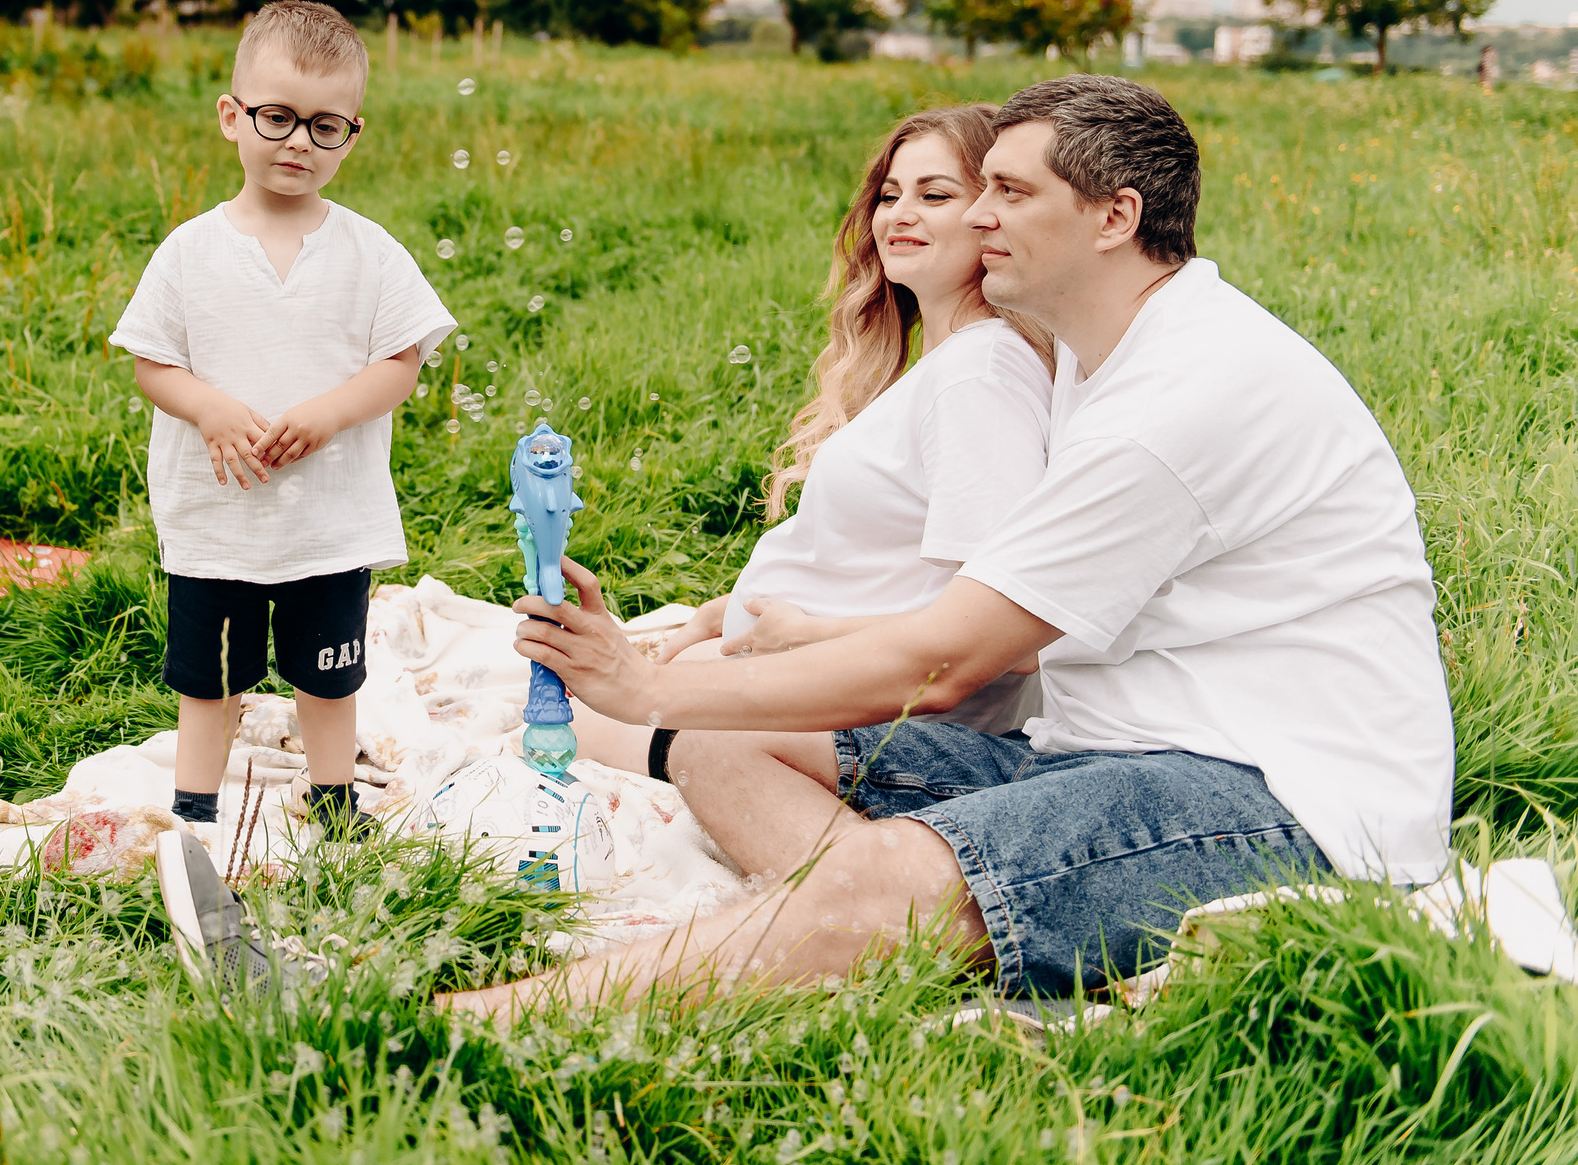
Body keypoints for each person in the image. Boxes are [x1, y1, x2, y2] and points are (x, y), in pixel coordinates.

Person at [448, 74, 1452, 1012]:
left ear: (1114, 216)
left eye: (1008, 192)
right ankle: (912, 920)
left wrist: (643, 684)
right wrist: (684, 679)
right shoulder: (1107, 354)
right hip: (1100, 752)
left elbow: (951, 656)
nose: (977, 216)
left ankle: (481, 1023)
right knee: (721, 742)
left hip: (1274, 796)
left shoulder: (1184, 393)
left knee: (870, 873)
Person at [579, 104, 1052, 791]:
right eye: (890, 195)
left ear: (992, 216)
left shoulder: (978, 377)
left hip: (886, 725)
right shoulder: (949, 365)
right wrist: (726, 613)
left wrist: (802, 634)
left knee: (560, 724)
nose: (899, 215)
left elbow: (1007, 644)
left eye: (935, 194)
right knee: (565, 695)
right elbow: (887, 563)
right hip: (831, 681)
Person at [108, 0, 456, 863]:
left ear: (352, 135)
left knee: (328, 672)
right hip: (217, 521)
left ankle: (334, 801)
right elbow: (152, 363)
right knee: (209, 677)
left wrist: (329, 411)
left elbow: (402, 361)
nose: (298, 141)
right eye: (277, 116)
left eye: (325, 125)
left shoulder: (371, 253)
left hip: (327, 522)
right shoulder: (188, 252)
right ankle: (195, 814)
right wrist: (209, 405)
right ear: (233, 116)